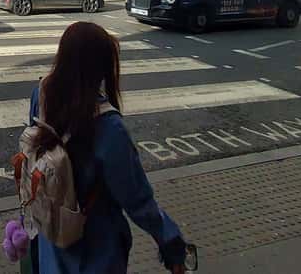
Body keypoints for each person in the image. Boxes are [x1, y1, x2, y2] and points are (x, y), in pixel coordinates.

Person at [28, 22, 188, 273]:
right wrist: (170, 242)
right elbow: (136, 198)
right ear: (100, 68)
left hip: (51, 235)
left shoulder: (42, 94)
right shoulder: (108, 127)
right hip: (95, 248)